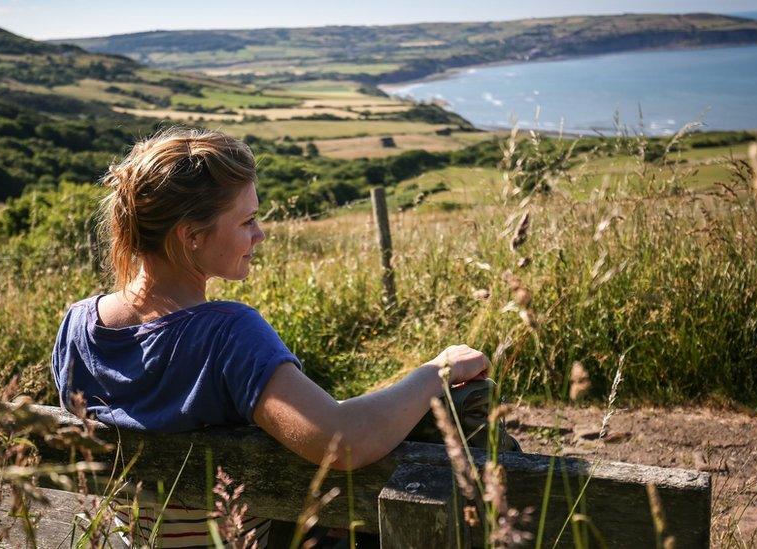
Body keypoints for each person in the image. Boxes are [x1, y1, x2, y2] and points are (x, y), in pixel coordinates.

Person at [51, 127, 489, 545]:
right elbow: (343, 440)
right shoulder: (227, 335)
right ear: (192, 236)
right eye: (248, 221)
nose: (259, 234)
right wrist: (438, 370)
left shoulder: (77, 326)